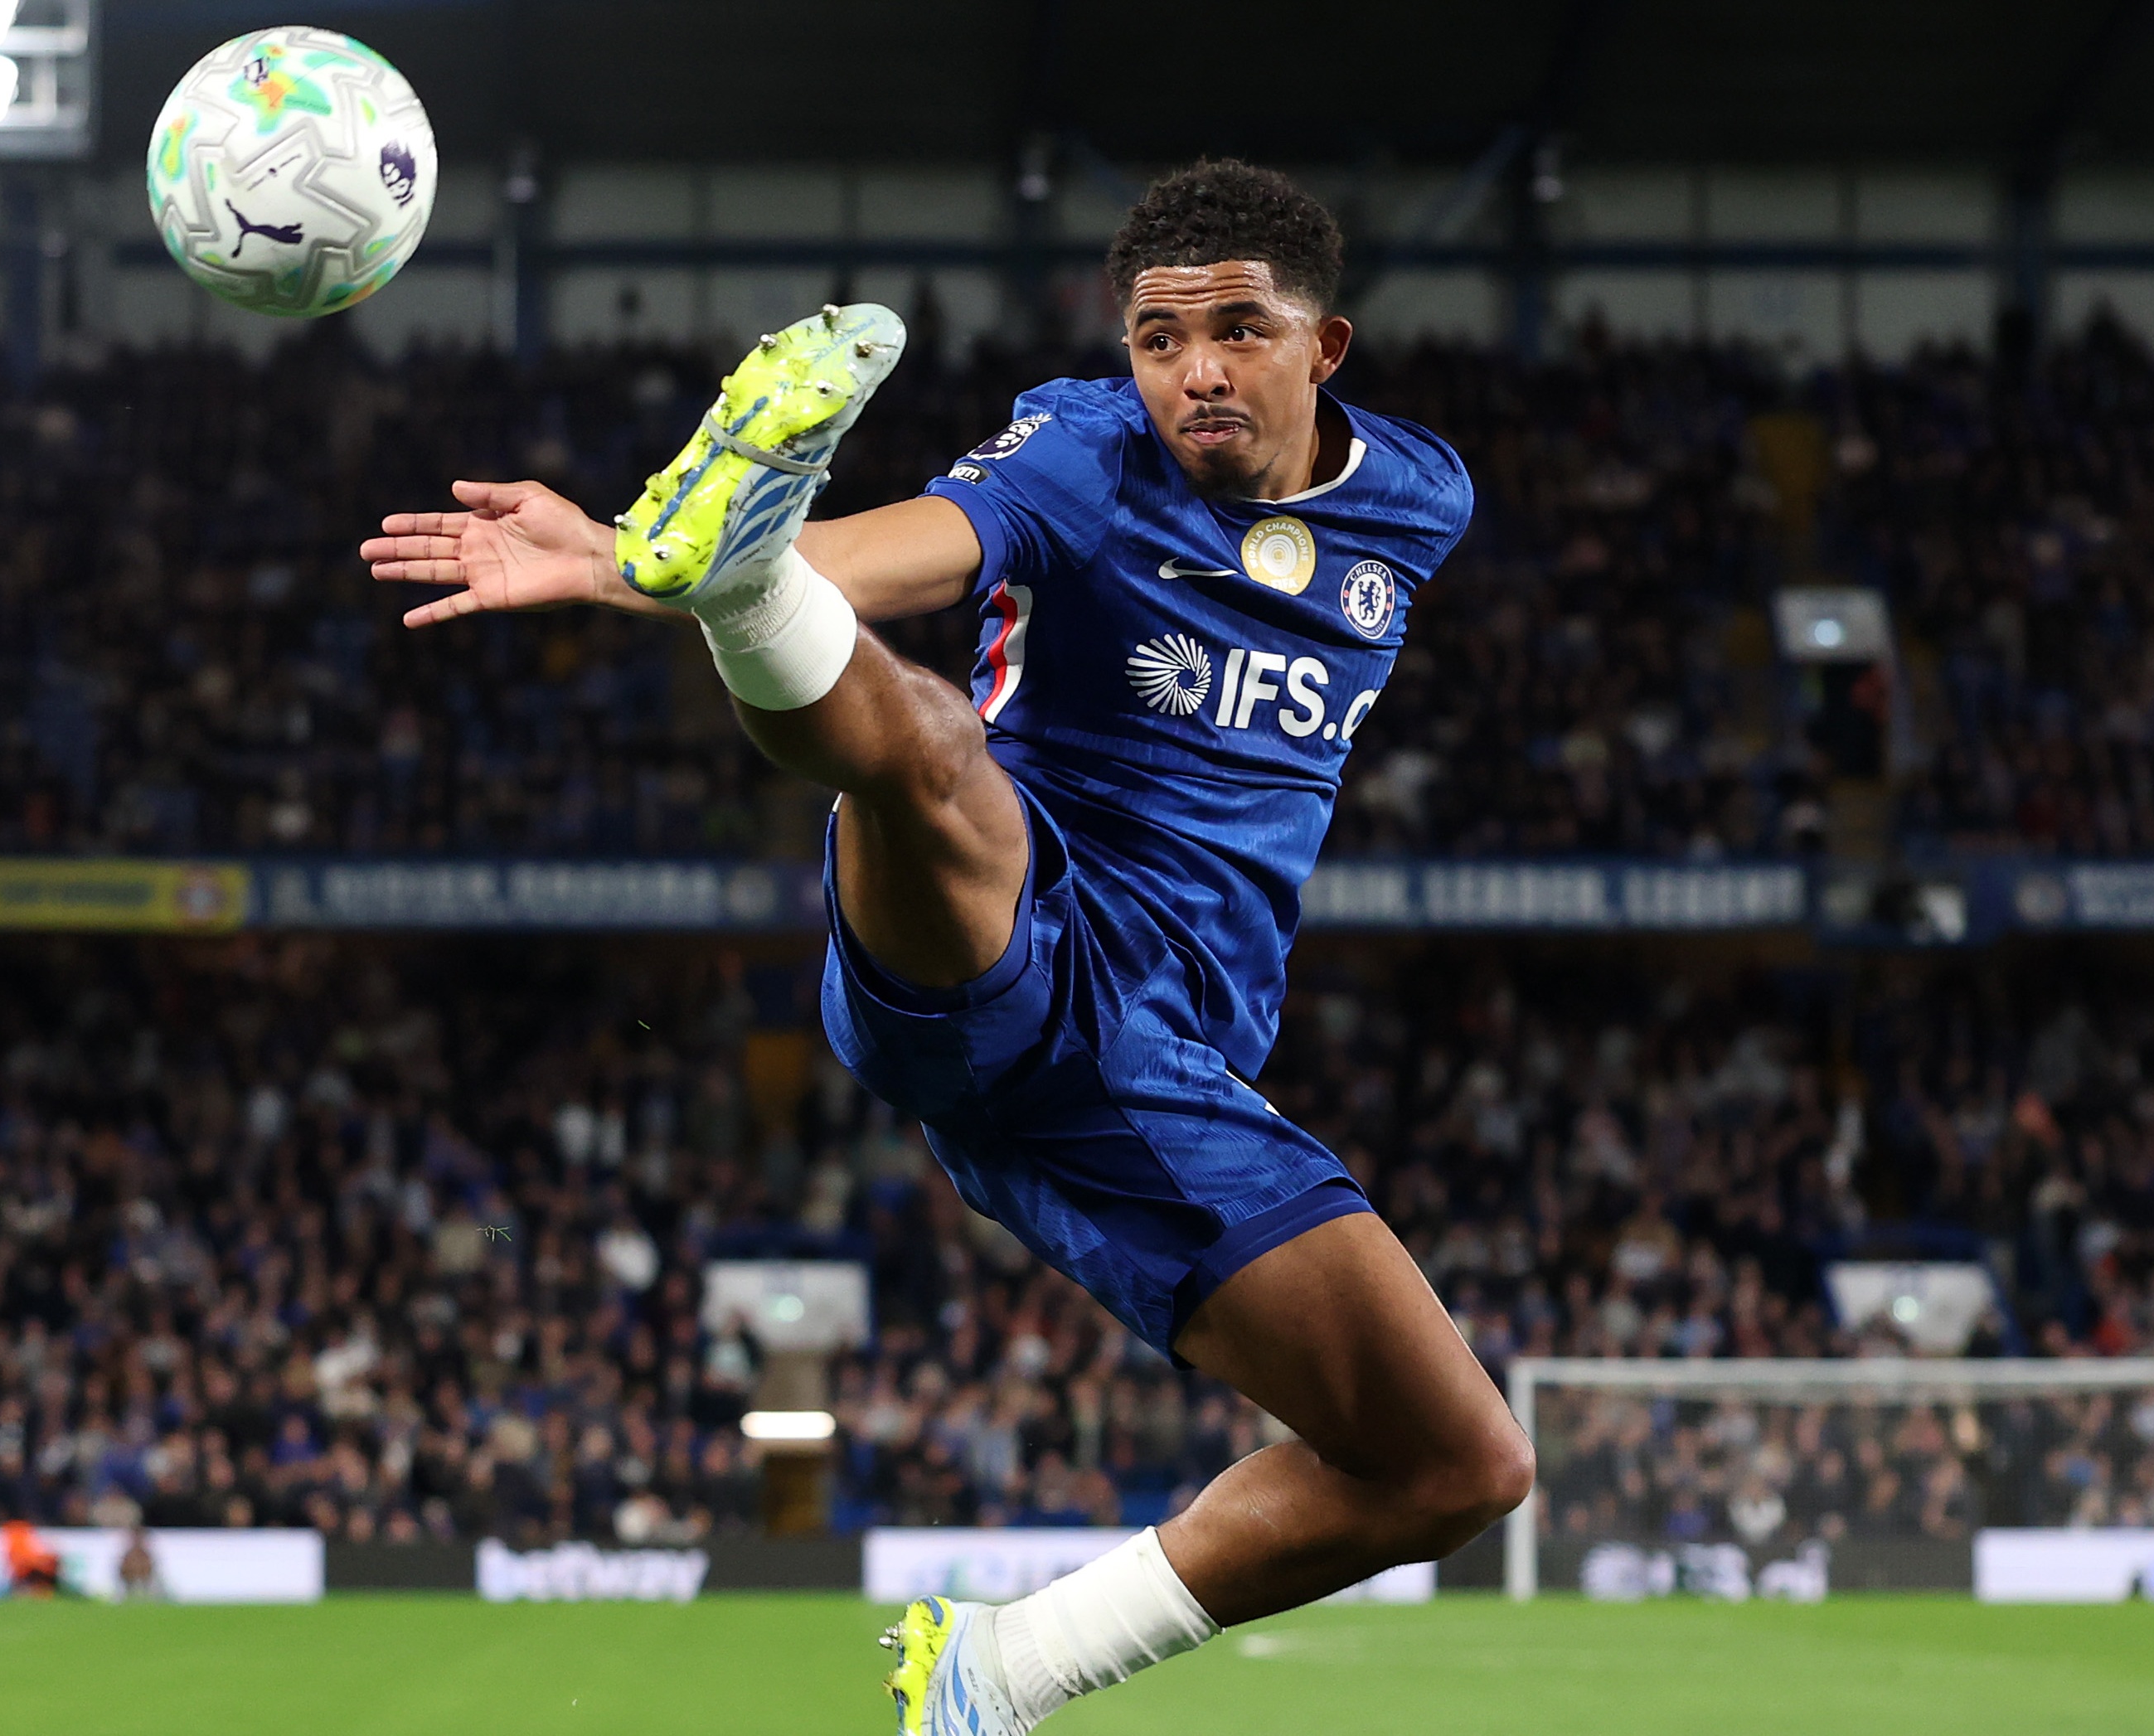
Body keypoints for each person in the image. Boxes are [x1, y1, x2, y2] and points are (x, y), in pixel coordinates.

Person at [362, 159, 1533, 1734]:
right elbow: (919, 543)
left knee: (1460, 1463)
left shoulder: (1422, 496)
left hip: (1164, 1052)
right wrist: (655, 558)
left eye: (1237, 330)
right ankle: (730, 586)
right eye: (1156, 334)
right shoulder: (1085, 451)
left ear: (1323, 350)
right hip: (1001, 926)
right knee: (921, 737)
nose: (1192, 369)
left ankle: (994, 1671)